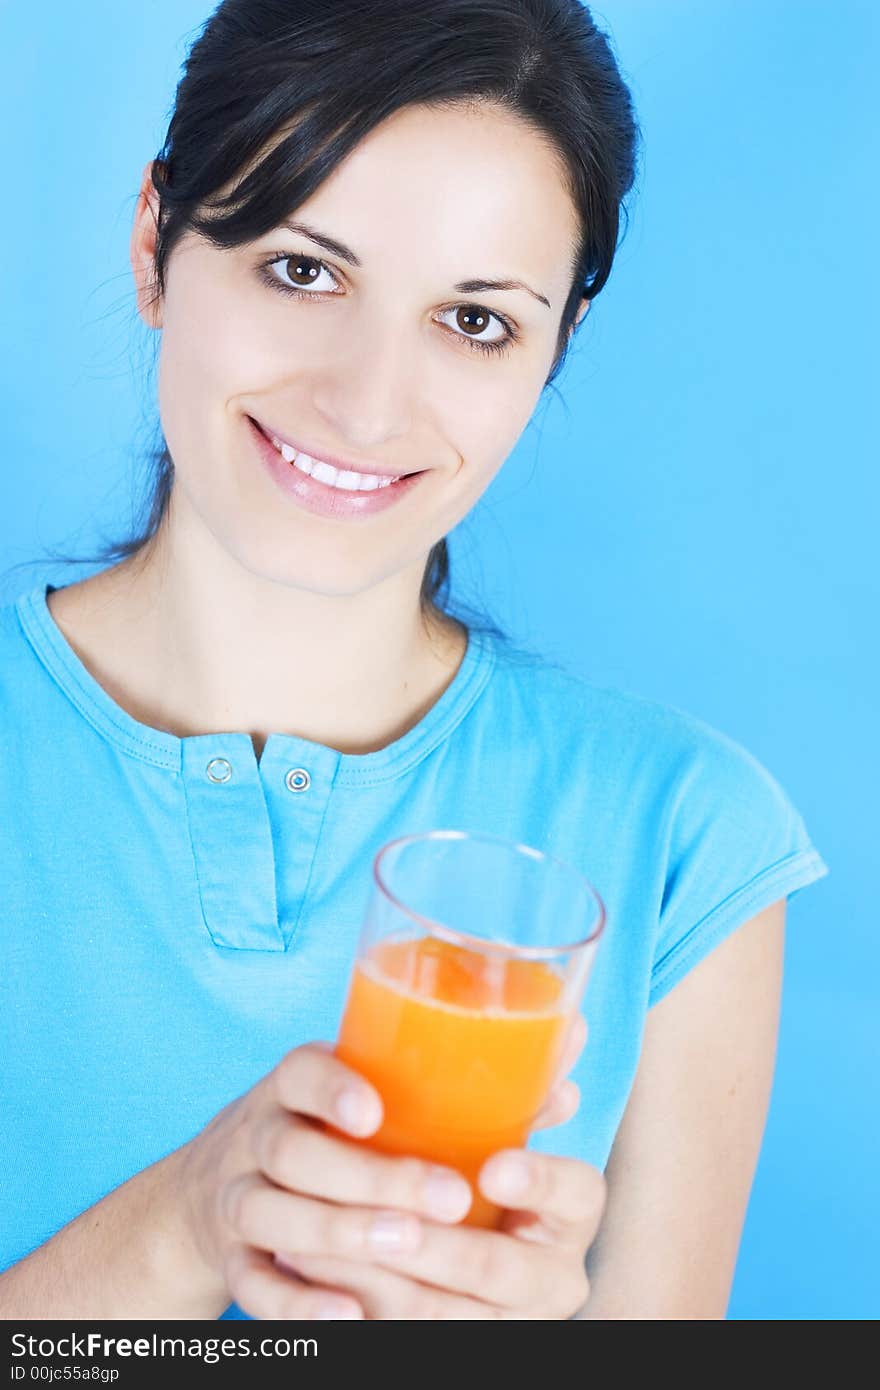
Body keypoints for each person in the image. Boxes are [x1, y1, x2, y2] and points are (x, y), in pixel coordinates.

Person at [0, 0, 828, 1321]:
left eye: (477, 320)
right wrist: (183, 1227)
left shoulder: (685, 843)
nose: (368, 403)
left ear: (557, 348)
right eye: (304, 270)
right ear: (156, 243)